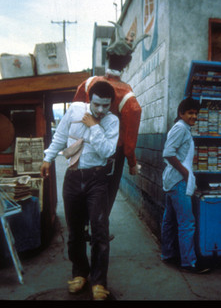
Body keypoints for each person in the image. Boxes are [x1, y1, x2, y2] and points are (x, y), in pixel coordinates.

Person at [40, 81, 119, 300]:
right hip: (73, 177)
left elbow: (107, 152)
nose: (101, 110)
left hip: (98, 179)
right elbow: (60, 135)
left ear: (111, 104)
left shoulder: (112, 122)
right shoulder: (75, 110)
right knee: (74, 230)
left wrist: (94, 125)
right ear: (88, 99)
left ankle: (99, 281)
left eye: (105, 105)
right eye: (96, 104)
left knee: (100, 231)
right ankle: (80, 273)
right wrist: (48, 159)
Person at [73, 21, 148, 237]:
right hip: (111, 155)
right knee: (105, 194)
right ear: (127, 65)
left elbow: (76, 112)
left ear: (107, 57)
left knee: (83, 189)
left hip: (84, 147)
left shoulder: (88, 84)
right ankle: (99, 231)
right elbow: (129, 141)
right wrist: (133, 164)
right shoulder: (128, 97)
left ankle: (84, 228)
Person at [160, 97, 208, 274]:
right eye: (190, 113)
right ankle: (189, 263)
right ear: (181, 113)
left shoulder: (183, 128)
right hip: (178, 181)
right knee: (187, 222)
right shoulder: (180, 128)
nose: (194, 116)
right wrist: (185, 173)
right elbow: (168, 153)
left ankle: (168, 254)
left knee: (169, 221)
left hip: (173, 180)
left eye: (196, 113)